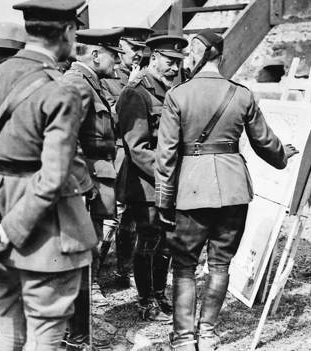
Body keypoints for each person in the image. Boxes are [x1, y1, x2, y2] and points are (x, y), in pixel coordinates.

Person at [0, 0, 97, 349]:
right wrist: (11, 230)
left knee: (8, 331)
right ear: (66, 31)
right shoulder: (61, 89)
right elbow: (53, 176)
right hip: (47, 233)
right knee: (45, 336)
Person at [154, 29, 299, 351]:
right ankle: (207, 334)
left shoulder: (178, 95)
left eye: (192, 51)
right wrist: (282, 157)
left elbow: (165, 154)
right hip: (234, 190)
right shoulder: (242, 94)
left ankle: (182, 339)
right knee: (220, 265)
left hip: (190, 192)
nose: (187, 58)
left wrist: (163, 200)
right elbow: (265, 142)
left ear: (205, 53)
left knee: (184, 268)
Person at [116, 34, 188, 321]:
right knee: (147, 241)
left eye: (178, 63)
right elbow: (137, 148)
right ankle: (145, 301)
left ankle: (159, 294)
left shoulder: (174, 91)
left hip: (168, 180)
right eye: (169, 62)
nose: (174, 68)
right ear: (154, 57)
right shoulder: (138, 92)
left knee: (167, 242)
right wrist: (166, 176)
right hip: (147, 184)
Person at [61, 27, 124, 350]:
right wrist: (83, 188)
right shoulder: (75, 84)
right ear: (95, 54)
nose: (118, 60)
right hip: (84, 190)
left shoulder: (91, 84)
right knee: (79, 263)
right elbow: (65, 143)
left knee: (87, 260)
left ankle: (77, 335)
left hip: (95, 186)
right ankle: (76, 338)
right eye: (114, 54)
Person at [102, 26, 153, 288]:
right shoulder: (108, 78)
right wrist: (129, 87)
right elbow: (111, 118)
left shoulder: (145, 78)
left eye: (141, 50)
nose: (137, 55)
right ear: (121, 47)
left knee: (132, 217)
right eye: (133, 49)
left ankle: (125, 270)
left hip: (136, 158)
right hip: (117, 155)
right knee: (110, 216)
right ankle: (97, 275)